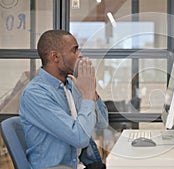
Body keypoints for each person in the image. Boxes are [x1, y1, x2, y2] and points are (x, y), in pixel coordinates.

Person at [19, 30, 108, 169]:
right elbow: (80, 138)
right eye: (74, 50)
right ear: (55, 57)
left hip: (80, 164)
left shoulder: (71, 85)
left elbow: (102, 123)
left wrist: (91, 91)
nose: (80, 54)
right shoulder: (35, 94)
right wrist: (87, 95)